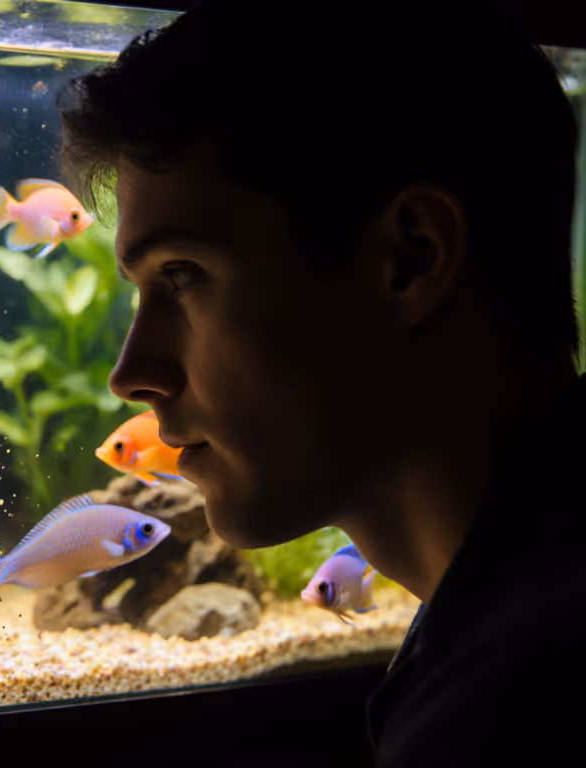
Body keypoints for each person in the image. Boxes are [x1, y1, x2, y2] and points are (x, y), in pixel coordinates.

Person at [58, 1, 585, 764]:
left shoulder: (513, 711)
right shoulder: (503, 628)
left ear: (411, 258)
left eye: (185, 275)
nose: (130, 374)